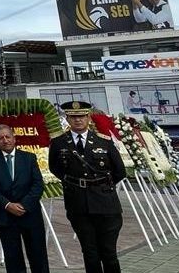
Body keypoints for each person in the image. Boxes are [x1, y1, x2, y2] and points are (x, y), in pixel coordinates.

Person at [48, 101, 125, 273]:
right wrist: (76, 184)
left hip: (106, 204)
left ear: (89, 118)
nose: (78, 120)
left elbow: (119, 171)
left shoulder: (103, 141)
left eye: (81, 116)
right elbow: (55, 168)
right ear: (67, 118)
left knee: (109, 253)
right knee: (90, 253)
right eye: (73, 117)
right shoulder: (59, 142)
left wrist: (100, 185)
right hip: (78, 205)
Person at [0, 125, 49, 273]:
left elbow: (38, 184)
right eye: (1, 138)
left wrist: (24, 205)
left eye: (8, 137)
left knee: (38, 256)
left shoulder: (29, 158)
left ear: (14, 138)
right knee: (13, 259)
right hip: (6, 215)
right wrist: (7, 205)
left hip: (30, 214)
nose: (5, 140)